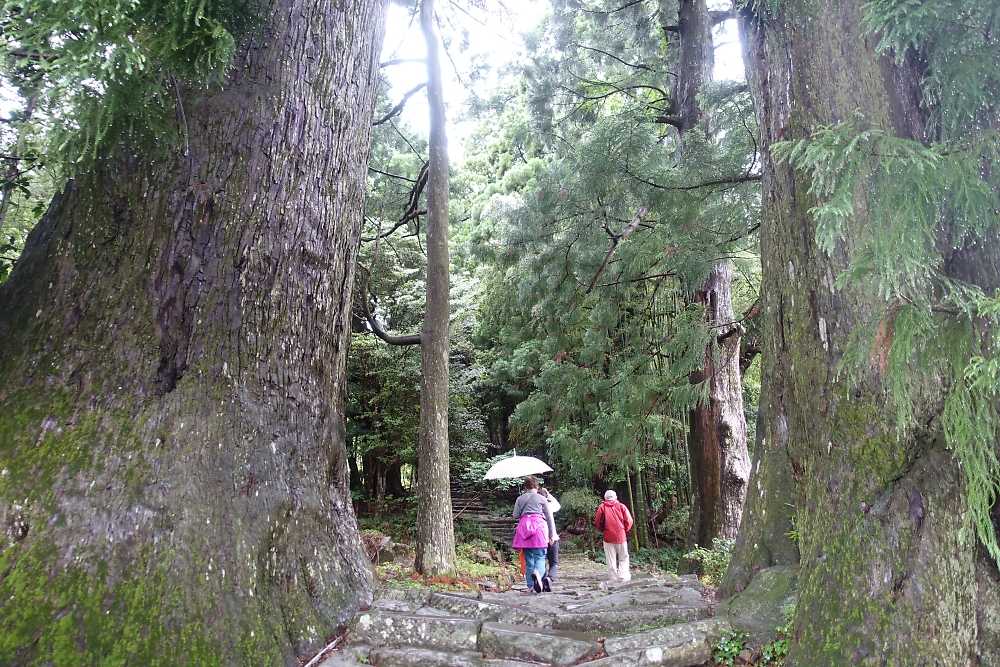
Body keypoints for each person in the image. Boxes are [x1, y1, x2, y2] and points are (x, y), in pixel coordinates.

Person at [512, 476, 556, 593]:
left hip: (524, 529)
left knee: (528, 559)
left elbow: (515, 515)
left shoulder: (520, 499)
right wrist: (551, 535)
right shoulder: (542, 499)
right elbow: (549, 518)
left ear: (525, 487)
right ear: (537, 486)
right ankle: (538, 573)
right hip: (539, 528)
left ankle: (531, 586)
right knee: (540, 557)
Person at [594, 489, 633, 583]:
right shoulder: (621, 506)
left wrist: (603, 530)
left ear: (605, 498)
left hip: (608, 536)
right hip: (621, 536)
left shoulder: (602, 507)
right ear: (615, 497)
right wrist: (624, 530)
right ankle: (623, 576)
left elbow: (597, 522)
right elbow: (629, 520)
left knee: (610, 558)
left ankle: (613, 578)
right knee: (623, 557)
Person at [539, 487, 560, 587]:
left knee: (540, 561)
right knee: (554, 563)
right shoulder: (549, 505)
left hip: (539, 539)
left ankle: (542, 580)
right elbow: (558, 506)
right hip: (552, 537)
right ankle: (550, 578)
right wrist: (548, 495)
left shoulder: (535, 507)